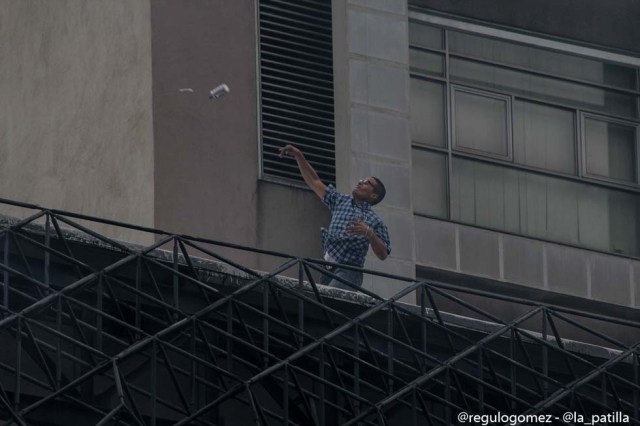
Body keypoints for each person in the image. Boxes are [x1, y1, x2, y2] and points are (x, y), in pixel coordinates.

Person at [278, 144, 391, 290]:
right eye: (362, 180)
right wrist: (299, 155)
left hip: (349, 271)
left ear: (373, 195)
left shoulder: (374, 220)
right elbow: (315, 182)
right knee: (323, 305)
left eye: (367, 183)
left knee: (328, 300)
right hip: (326, 268)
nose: (360, 182)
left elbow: (383, 254)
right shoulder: (340, 200)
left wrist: (369, 233)